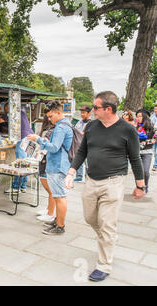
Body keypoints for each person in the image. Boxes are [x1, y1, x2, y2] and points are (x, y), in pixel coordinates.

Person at [64, 91, 145, 282]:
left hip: (114, 183)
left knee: (107, 225)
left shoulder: (128, 130)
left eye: (95, 107)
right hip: (91, 181)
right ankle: (108, 238)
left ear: (108, 109)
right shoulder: (92, 126)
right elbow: (82, 150)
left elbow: (135, 158)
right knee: (90, 218)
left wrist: (140, 185)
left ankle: (104, 265)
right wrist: (72, 171)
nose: (92, 111)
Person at [26, 101, 73, 235]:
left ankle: (60, 226)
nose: (49, 119)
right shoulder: (65, 125)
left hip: (57, 166)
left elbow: (54, 148)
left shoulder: (60, 128)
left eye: (51, 116)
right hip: (60, 165)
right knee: (58, 196)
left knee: (60, 197)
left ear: (59, 112)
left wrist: (38, 139)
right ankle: (57, 221)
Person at [35, 112, 57, 223]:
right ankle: (49, 209)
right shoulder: (48, 130)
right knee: (49, 189)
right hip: (43, 160)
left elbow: (45, 147)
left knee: (51, 190)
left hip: (46, 160)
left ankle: (50, 214)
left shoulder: (50, 131)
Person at [9, 106, 34, 194]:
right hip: (31, 138)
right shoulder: (22, 113)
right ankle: (23, 186)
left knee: (20, 163)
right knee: (26, 163)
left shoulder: (12, 114)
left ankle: (16, 187)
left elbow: (0, 120)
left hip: (23, 138)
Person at [136, 109, 155, 193]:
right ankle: (139, 187)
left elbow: (154, 139)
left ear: (144, 116)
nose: (138, 118)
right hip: (136, 153)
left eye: (140, 116)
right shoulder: (135, 126)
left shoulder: (151, 127)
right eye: (137, 116)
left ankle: (145, 185)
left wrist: (145, 142)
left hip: (147, 152)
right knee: (138, 172)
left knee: (146, 171)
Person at [74, 106, 91, 181]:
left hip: (88, 145)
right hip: (79, 144)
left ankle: (88, 177)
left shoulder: (91, 123)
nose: (82, 114)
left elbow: (83, 133)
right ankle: (79, 177)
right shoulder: (79, 122)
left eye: (84, 113)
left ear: (88, 113)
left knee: (88, 162)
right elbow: (76, 131)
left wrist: (79, 133)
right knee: (79, 160)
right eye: (81, 113)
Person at [151, 104, 157, 171]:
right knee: (154, 151)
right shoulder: (152, 117)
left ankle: (155, 165)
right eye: (154, 109)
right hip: (153, 137)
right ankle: (155, 165)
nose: (155, 110)